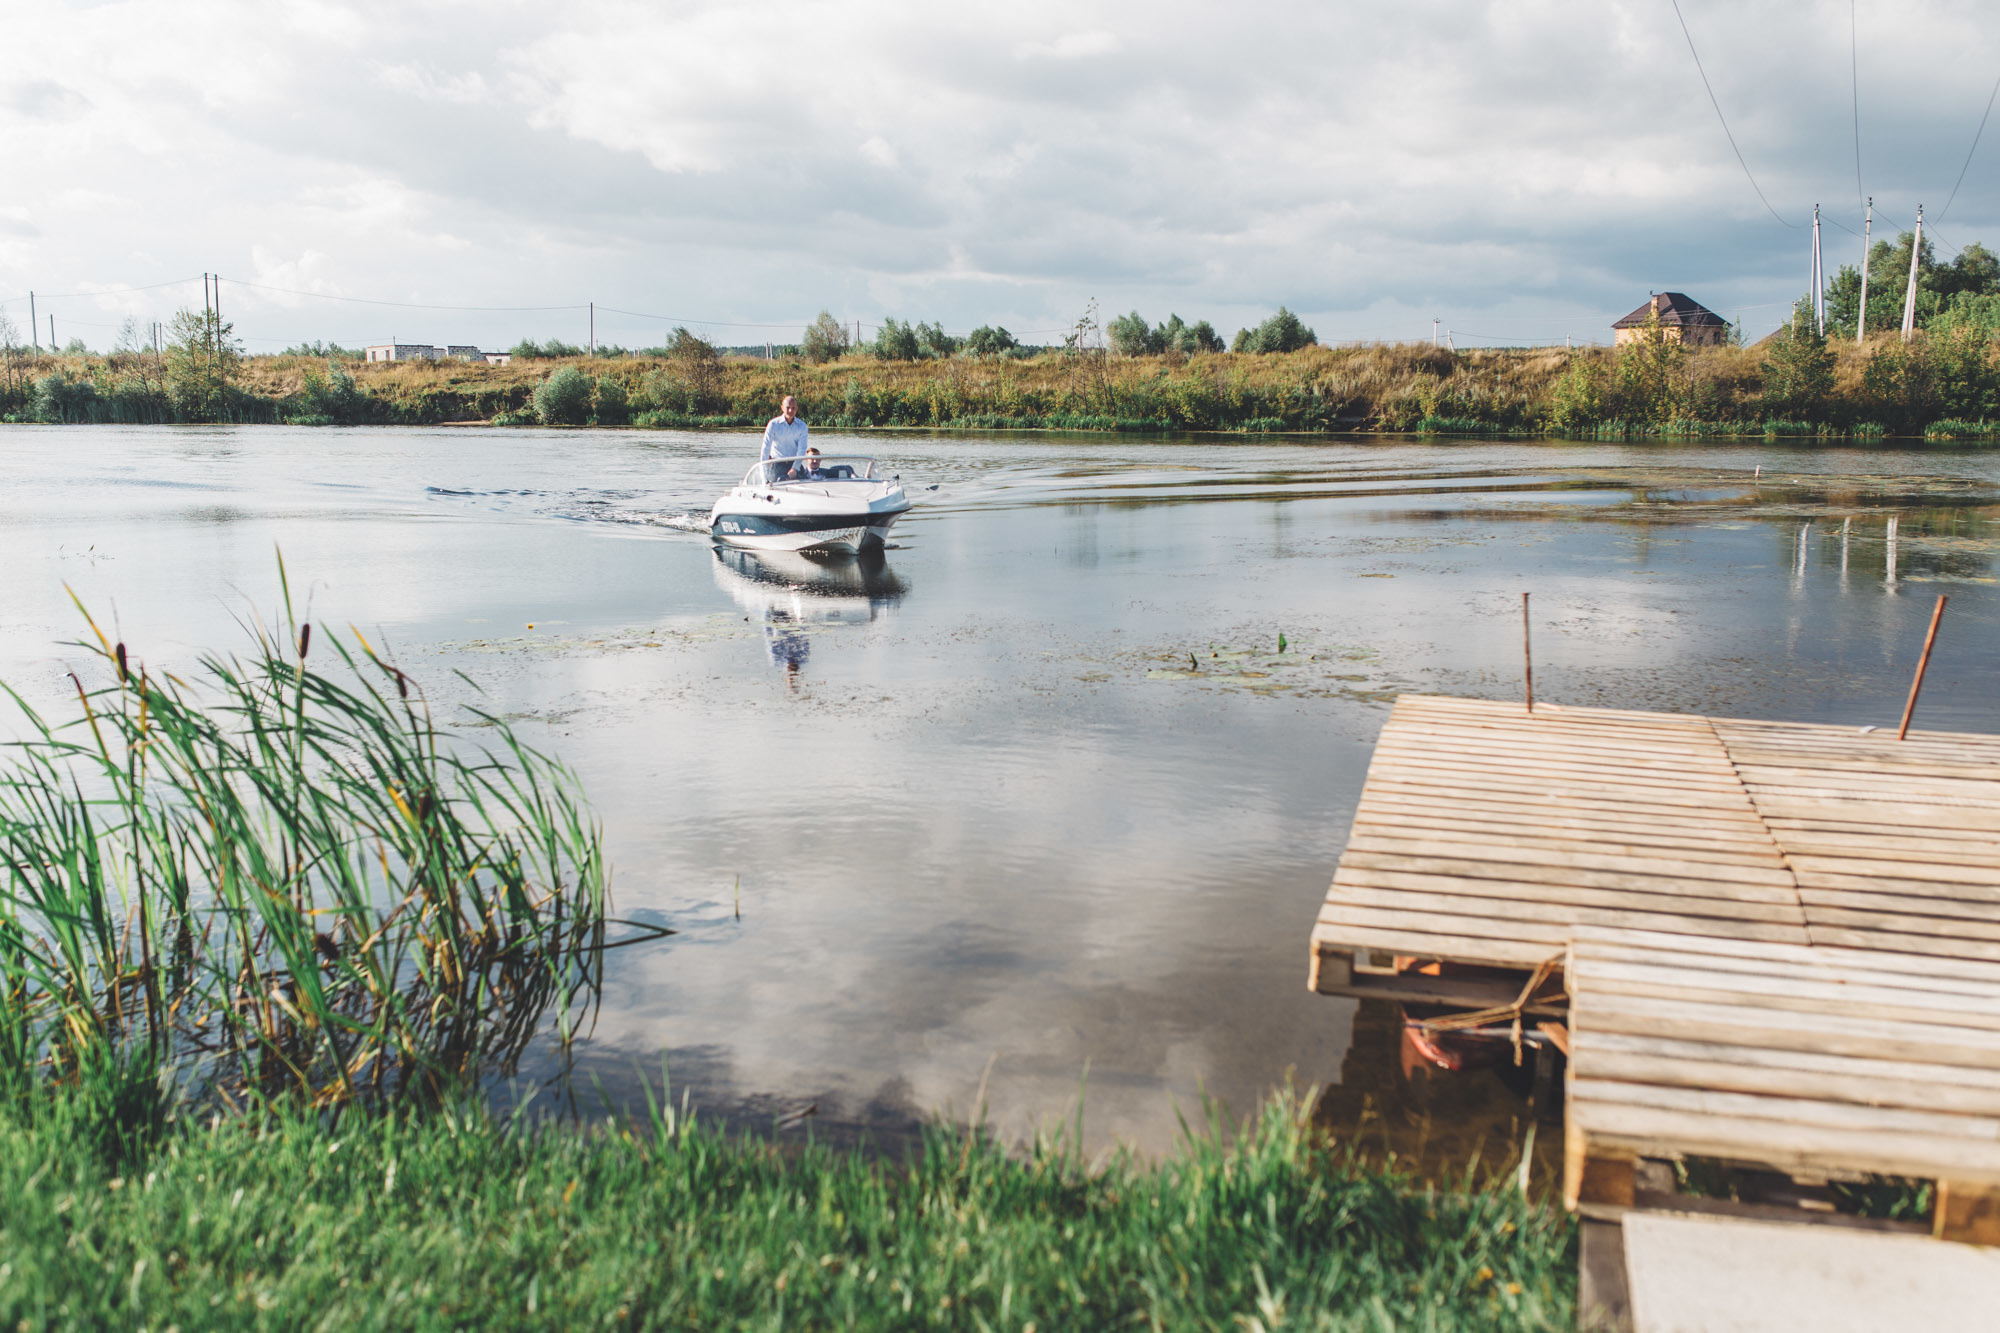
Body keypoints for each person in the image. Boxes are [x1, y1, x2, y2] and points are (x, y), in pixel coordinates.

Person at [760, 395, 808, 479]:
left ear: (796, 408)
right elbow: (766, 448)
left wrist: (794, 469)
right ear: (782, 408)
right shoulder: (773, 424)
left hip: (795, 464)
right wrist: (764, 471)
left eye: (793, 408)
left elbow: (802, 450)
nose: (790, 410)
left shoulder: (802, 426)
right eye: (788, 407)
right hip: (777, 464)